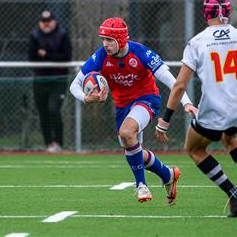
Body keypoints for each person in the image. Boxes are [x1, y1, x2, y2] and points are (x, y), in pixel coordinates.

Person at [155, 0, 237, 217]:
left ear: (206, 12)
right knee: (230, 139)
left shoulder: (198, 42)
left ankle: (234, 194)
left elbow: (179, 86)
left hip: (215, 109)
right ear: (227, 12)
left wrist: (165, 120)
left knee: (194, 148)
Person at [69, 17, 197, 204]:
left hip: (147, 100)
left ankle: (141, 186)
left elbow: (171, 81)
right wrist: (86, 98)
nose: (105, 44)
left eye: (110, 40)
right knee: (133, 148)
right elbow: (75, 85)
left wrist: (186, 102)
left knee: (126, 133)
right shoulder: (100, 56)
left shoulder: (141, 53)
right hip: (122, 106)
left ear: (121, 40)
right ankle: (168, 174)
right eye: (103, 39)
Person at [28, 10, 72, 153]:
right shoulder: (34, 35)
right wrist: (53, 57)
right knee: (43, 112)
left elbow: (66, 57)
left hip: (58, 79)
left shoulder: (62, 34)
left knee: (54, 109)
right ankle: (48, 144)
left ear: (54, 21)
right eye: (43, 22)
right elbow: (31, 56)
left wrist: (46, 54)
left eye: (49, 21)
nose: (46, 24)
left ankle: (58, 142)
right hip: (40, 79)